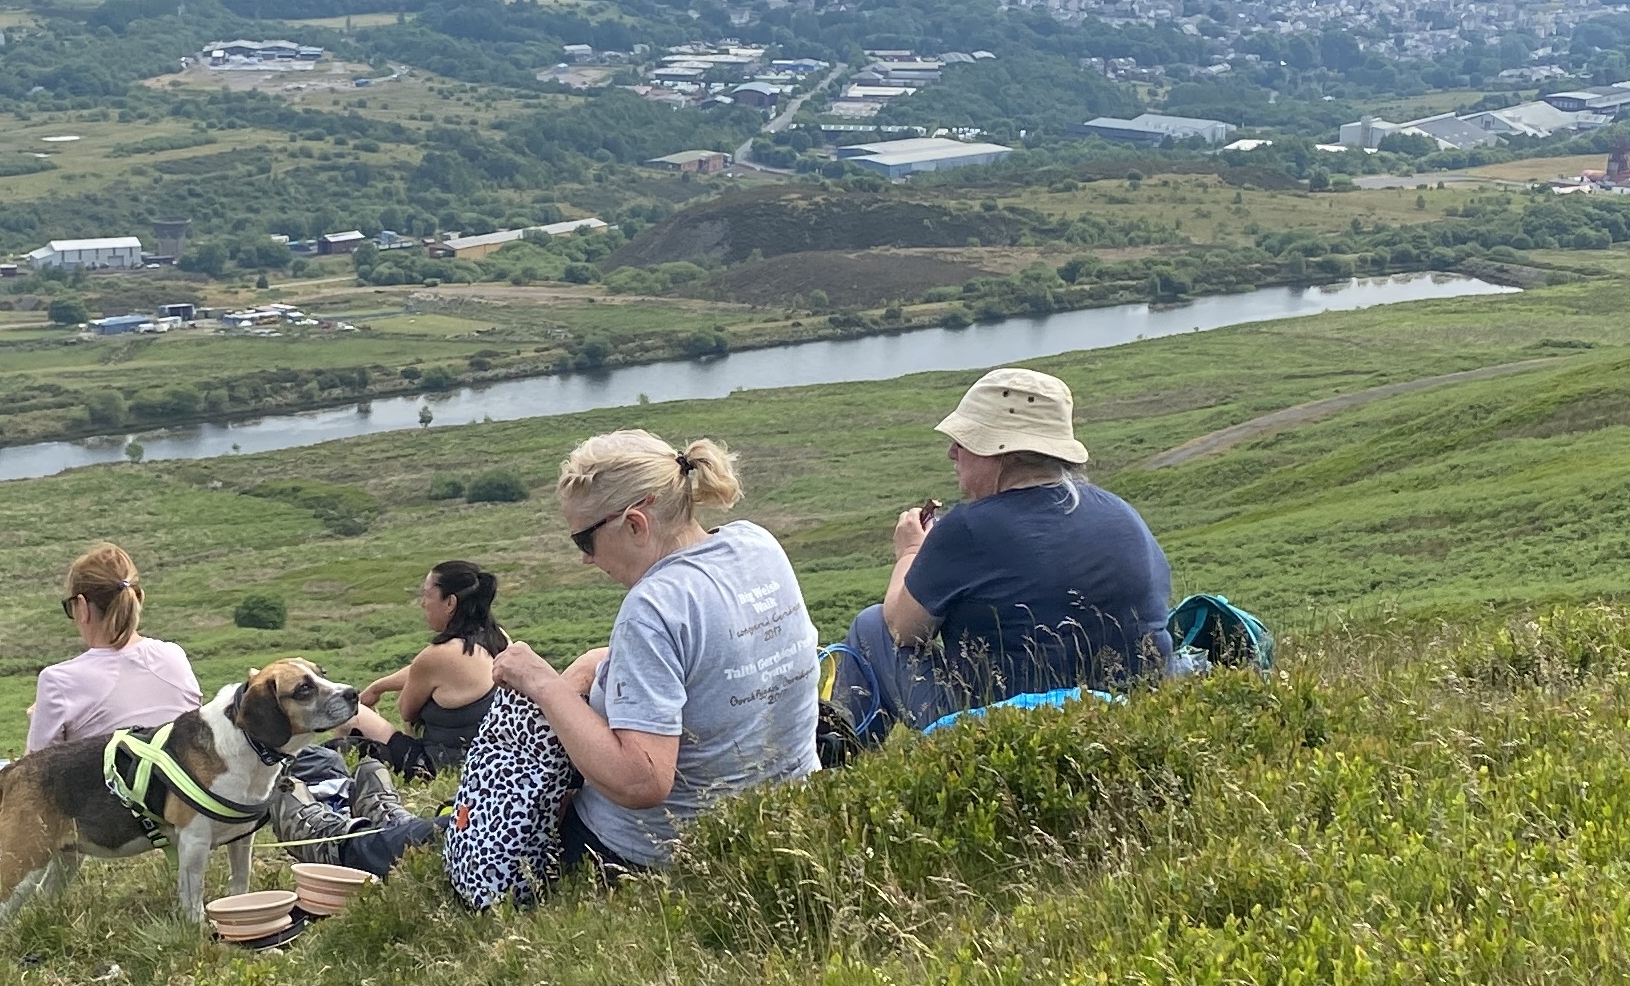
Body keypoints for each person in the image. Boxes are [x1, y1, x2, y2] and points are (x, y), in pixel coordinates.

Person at [493, 431, 820, 872]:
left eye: (584, 541)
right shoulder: (757, 545)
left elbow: (641, 781)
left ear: (635, 525)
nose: (585, 559)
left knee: (476, 829)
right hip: (790, 813)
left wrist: (541, 683)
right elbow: (716, 658)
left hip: (661, 852)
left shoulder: (652, 607)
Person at [828, 366, 1172, 742]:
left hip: (1007, 729)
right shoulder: (1121, 513)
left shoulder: (968, 528)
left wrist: (911, 551)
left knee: (870, 626)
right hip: (1129, 713)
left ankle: (841, 759)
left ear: (1003, 453)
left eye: (964, 441)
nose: (952, 452)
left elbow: (903, 630)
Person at [26, 543, 203, 751]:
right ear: (139, 598)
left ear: (82, 607)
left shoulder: (59, 682)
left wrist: (38, 720)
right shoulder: (174, 657)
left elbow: (34, 768)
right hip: (178, 773)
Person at [350, 559, 504, 778]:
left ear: (450, 602)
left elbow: (406, 710)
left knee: (352, 714)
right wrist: (379, 687)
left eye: (427, 595)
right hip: (489, 759)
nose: (423, 603)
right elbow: (425, 672)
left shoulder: (439, 655)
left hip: (437, 765)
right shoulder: (497, 639)